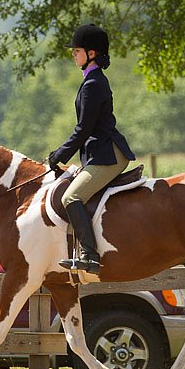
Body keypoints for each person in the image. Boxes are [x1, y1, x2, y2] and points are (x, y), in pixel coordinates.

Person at [48, 24, 136, 275]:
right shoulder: (92, 80)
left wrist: (58, 155)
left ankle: (90, 254)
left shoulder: (93, 84)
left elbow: (83, 129)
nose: (73, 55)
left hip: (108, 155)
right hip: (100, 152)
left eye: (77, 51)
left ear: (92, 53)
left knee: (71, 198)